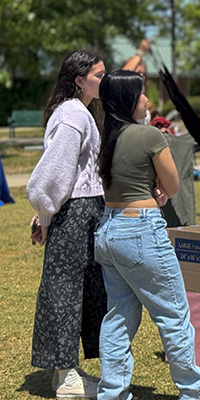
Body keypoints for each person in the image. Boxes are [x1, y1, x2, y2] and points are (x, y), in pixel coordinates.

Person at [94, 70, 200, 400]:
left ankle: (112, 392)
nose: (148, 101)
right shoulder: (149, 136)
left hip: (109, 231)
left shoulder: (105, 135)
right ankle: (194, 390)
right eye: (141, 94)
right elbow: (173, 186)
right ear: (127, 100)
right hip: (140, 231)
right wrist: (159, 193)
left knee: (118, 317)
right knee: (173, 315)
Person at [26, 50, 107, 399]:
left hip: (82, 211)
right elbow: (53, 176)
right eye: (99, 76)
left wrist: (46, 215)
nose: (104, 81)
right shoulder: (73, 114)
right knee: (64, 291)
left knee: (81, 290)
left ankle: (68, 371)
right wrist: (45, 213)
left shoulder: (79, 112)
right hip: (76, 213)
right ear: (79, 79)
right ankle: (65, 377)